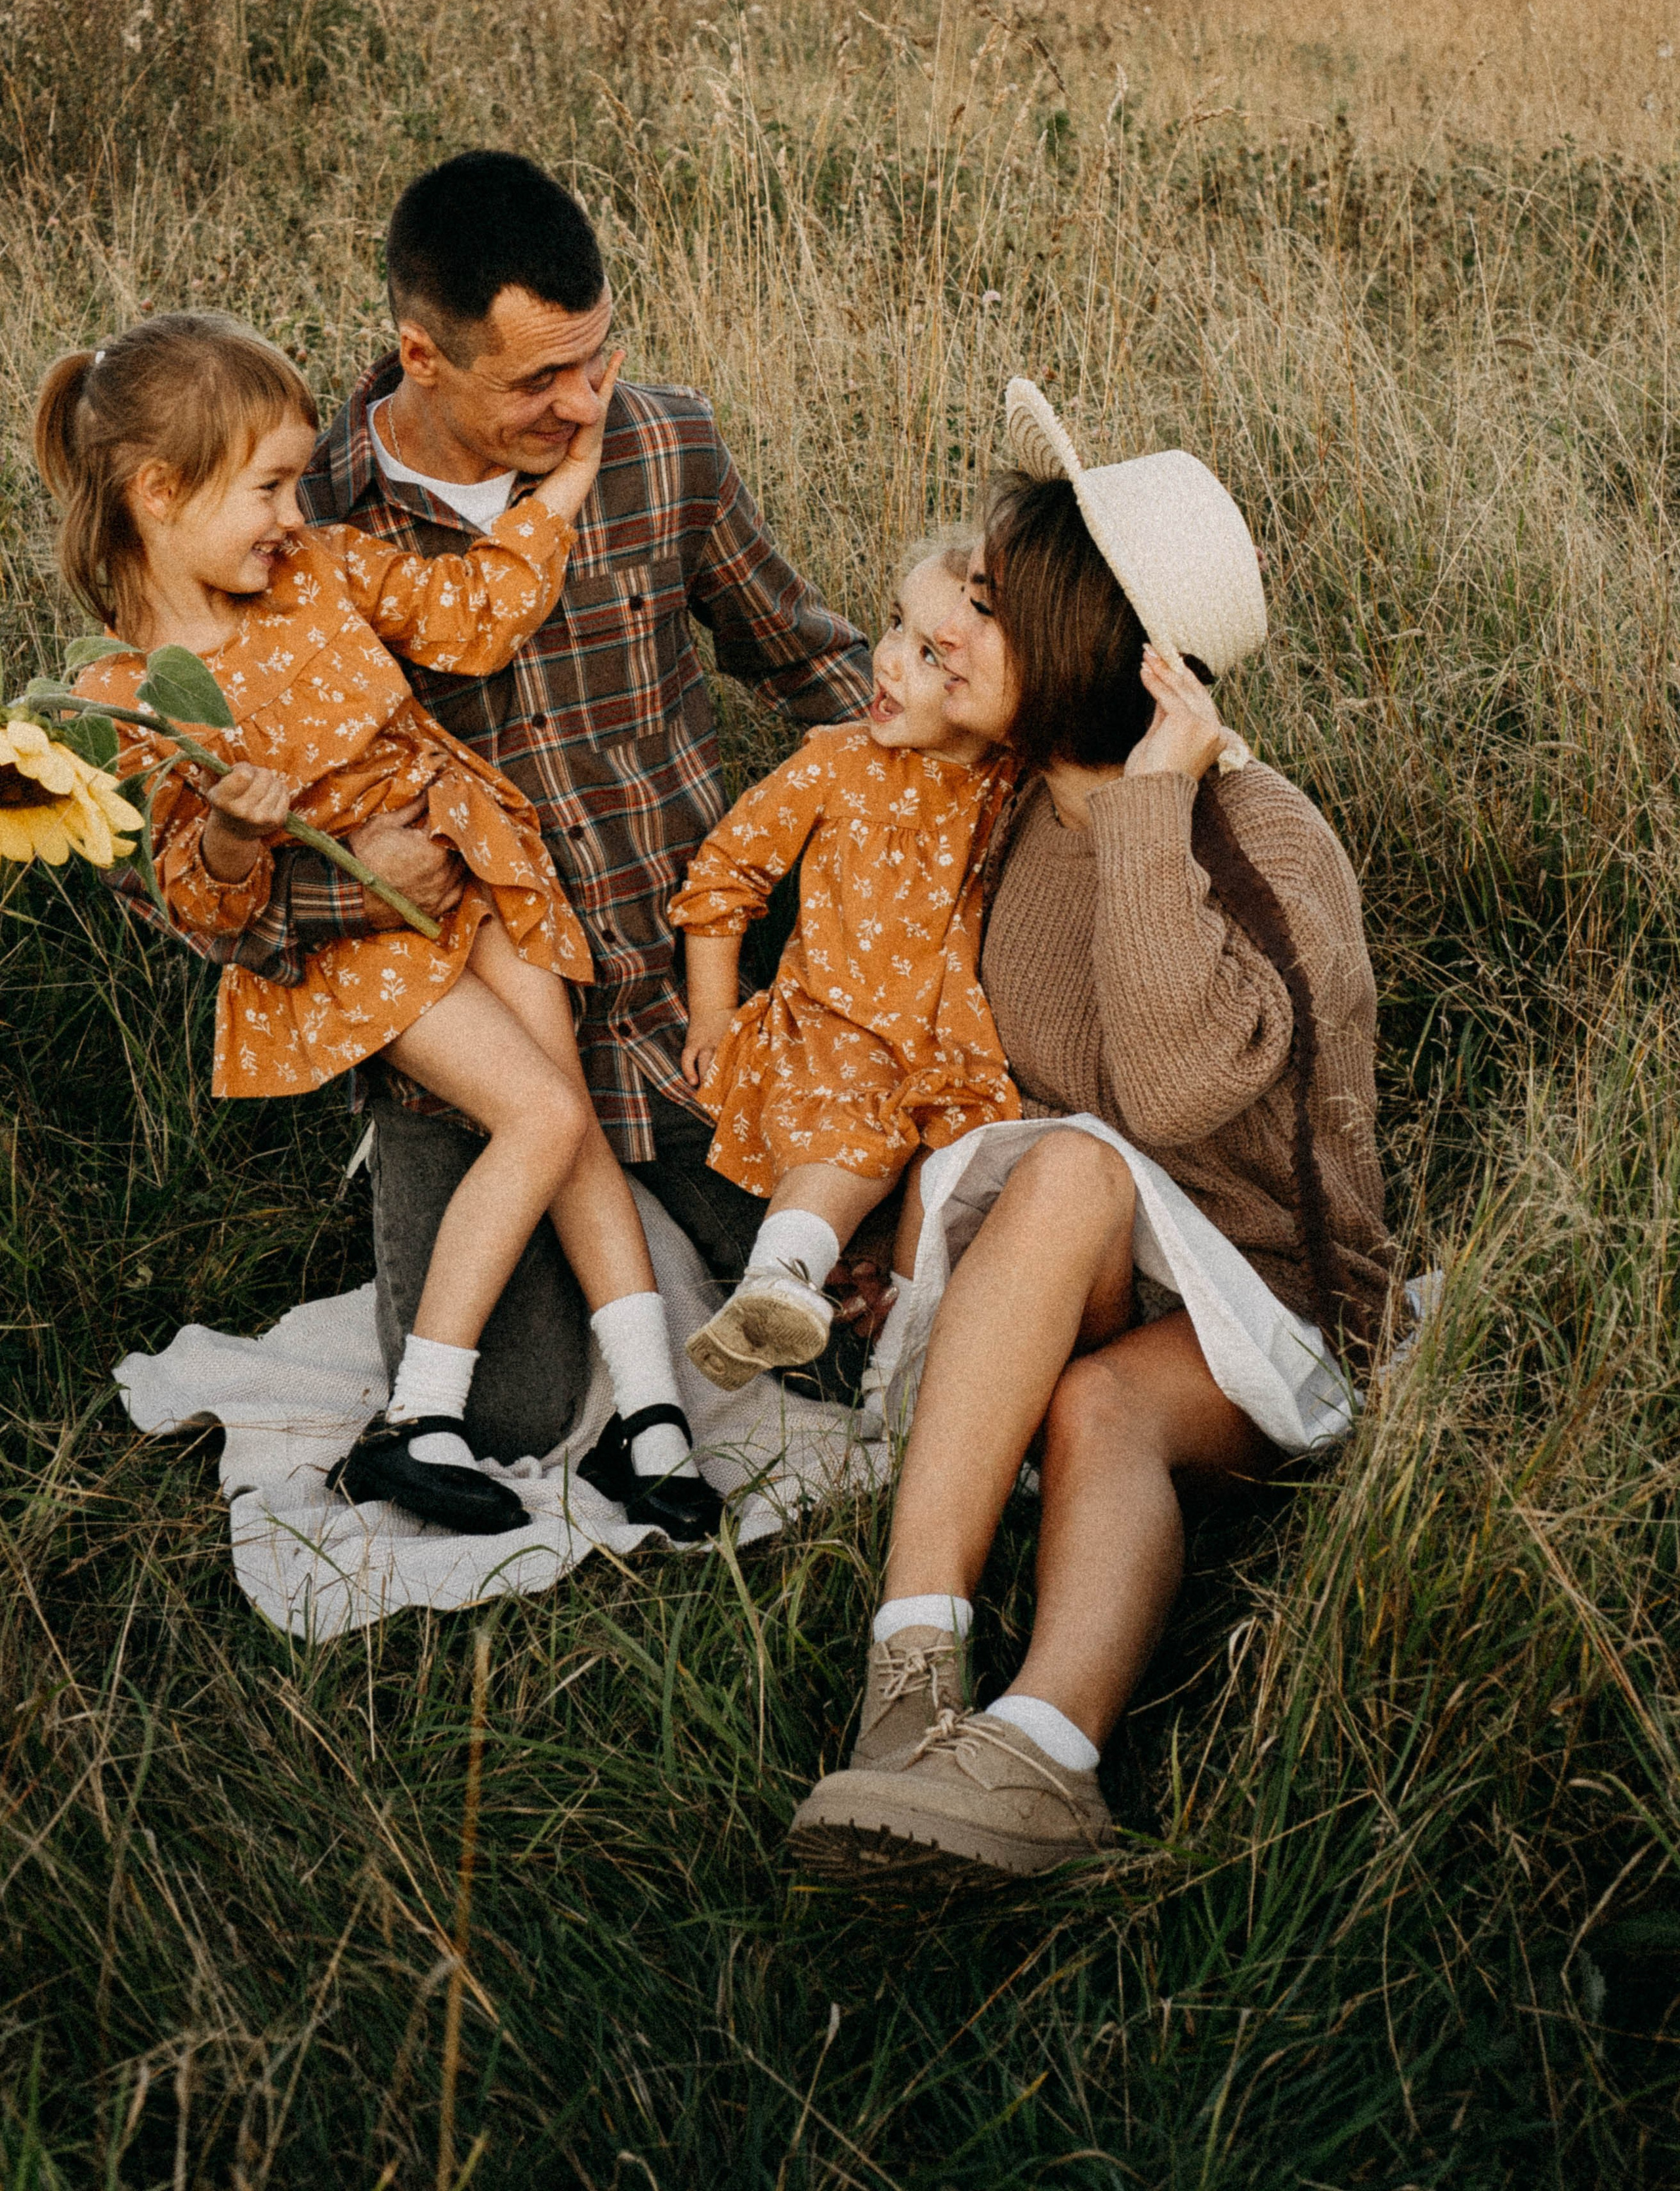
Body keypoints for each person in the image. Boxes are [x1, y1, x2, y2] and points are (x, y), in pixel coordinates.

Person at [99, 151, 873, 1495]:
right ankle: (466, 1375)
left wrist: (962, 784)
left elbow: (806, 658)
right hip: (445, 995)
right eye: (536, 381)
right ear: (422, 355)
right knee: (511, 1420)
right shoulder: (293, 512)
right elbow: (172, 890)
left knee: (847, 1324)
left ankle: (661, 1358)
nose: (581, 405)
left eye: (595, 360)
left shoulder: (660, 442)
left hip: (678, 996)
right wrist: (351, 885)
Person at [790, 379, 1395, 1878]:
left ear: (1083, 646)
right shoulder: (1000, 813)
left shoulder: (1257, 838)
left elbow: (1179, 1094)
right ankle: (913, 1681)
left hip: (1281, 1302)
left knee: (1097, 1400)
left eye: (989, 599)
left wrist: (1146, 810)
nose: (953, 615)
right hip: (1107, 1258)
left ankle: (1045, 1751)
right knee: (1061, 1195)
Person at [36, 312, 723, 1542]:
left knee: (559, 1107)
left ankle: (651, 1421)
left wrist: (562, 485)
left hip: (477, 859)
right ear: (157, 492)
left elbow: (472, 615)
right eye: (271, 487)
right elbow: (201, 902)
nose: (298, 512)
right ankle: (424, 1418)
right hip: (366, 949)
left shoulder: (322, 571)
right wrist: (246, 834)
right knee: (549, 1115)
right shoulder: (121, 702)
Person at [669, 539, 1018, 1391]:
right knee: (847, 1133)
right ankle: (775, 1280)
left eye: (931, 655)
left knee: (953, 1191)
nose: (890, 660)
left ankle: (896, 1383)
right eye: (894, 626)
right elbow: (725, 873)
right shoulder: (840, 761)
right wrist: (714, 1012)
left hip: (950, 1051)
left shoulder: (1012, 784)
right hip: (835, 1025)